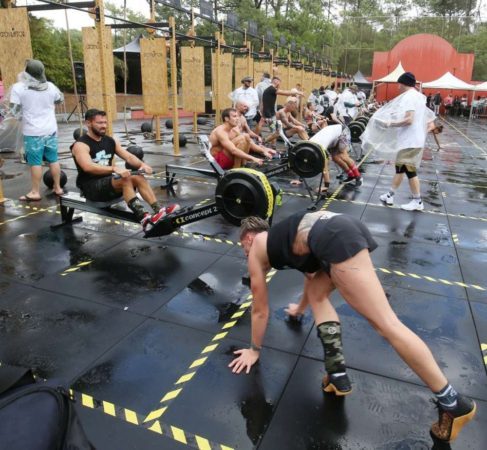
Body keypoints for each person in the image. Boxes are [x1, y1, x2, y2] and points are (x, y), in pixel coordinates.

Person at [231, 212, 477, 443]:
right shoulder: (283, 239)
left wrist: (254, 350)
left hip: (334, 237)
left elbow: (260, 309)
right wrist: (300, 308)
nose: (245, 254)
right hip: (339, 228)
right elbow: (312, 279)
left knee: (387, 324)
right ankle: (336, 372)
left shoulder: (258, 249)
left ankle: (452, 402)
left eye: (243, 248)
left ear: (249, 238)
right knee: (318, 293)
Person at [71, 109, 179, 230]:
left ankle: (159, 210)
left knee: (137, 176)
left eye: (105, 122)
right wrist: (114, 168)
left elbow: (128, 157)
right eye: (99, 123)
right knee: (125, 179)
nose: (104, 126)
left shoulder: (110, 141)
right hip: (91, 188)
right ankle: (144, 218)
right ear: (88, 123)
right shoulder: (80, 145)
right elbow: (87, 167)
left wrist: (142, 165)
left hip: (108, 184)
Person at [376, 72, 433, 211]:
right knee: (400, 168)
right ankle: (390, 195)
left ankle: (417, 201)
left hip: (410, 141)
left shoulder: (409, 97)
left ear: (403, 83)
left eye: (399, 84)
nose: (398, 87)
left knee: (409, 170)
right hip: (413, 139)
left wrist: (390, 123)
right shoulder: (419, 96)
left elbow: (409, 120)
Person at [9, 59, 64, 201]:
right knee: (53, 159)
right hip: (50, 129)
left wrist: (23, 116)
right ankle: (58, 187)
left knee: (35, 162)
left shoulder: (18, 88)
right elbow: (60, 100)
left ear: (26, 72)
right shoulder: (51, 86)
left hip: (32, 131)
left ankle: (35, 192)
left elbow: (14, 111)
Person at [261, 76, 304, 147]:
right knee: (276, 132)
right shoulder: (271, 89)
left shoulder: (269, 90)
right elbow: (284, 92)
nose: (279, 84)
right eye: (279, 82)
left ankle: (272, 145)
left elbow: (263, 104)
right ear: (276, 81)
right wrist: (298, 92)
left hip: (270, 115)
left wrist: (263, 114)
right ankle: (264, 142)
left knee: (275, 132)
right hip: (269, 116)